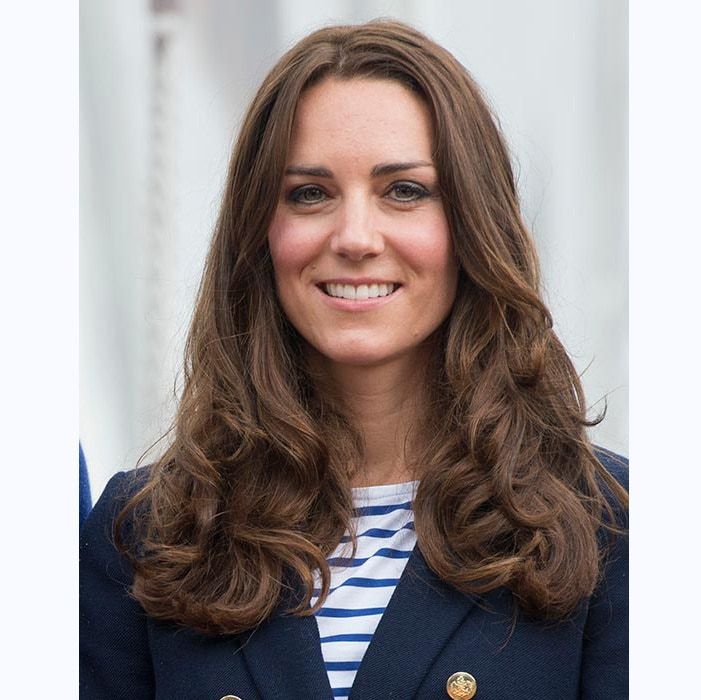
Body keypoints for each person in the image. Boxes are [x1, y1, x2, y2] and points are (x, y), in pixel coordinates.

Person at [80, 19, 628, 700]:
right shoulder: (143, 531)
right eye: (309, 193)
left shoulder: (611, 524)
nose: (354, 237)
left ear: (471, 225)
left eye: (404, 190)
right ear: (257, 232)